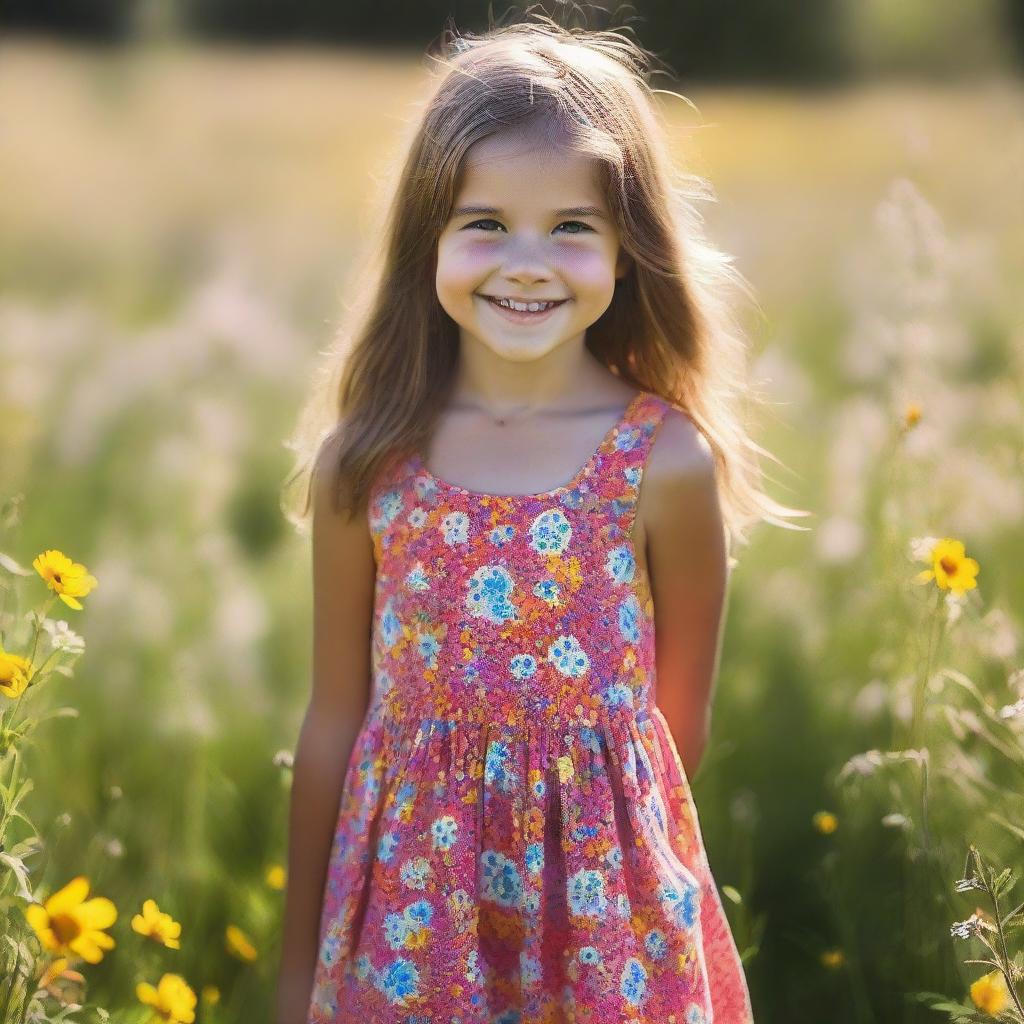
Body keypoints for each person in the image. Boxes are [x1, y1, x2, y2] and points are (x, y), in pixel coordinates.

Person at [275, 14, 807, 1024]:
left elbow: (669, 735)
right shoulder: (369, 461)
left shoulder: (663, 462)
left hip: (603, 937)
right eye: (484, 222)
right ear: (424, 236)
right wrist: (298, 971)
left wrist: (585, 882)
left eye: (572, 227)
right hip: (411, 926)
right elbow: (332, 722)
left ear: (626, 249)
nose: (527, 263)